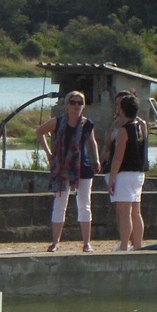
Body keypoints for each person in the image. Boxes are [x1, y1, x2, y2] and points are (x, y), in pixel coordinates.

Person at [36, 90, 101, 252]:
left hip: (82, 167)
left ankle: (86, 243)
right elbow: (39, 132)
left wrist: (96, 159)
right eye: (73, 102)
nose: (76, 106)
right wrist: (49, 153)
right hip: (63, 167)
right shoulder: (58, 122)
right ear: (67, 105)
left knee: (84, 204)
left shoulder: (87, 124)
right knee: (60, 204)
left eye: (80, 103)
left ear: (83, 106)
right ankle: (55, 242)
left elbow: (92, 142)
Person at [105, 93, 149, 252]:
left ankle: (124, 246)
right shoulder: (141, 126)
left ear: (122, 110)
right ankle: (137, 245)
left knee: (124, 213)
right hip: (138, 174)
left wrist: (111, 178)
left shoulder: (124, 130)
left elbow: (118, 158)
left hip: (125, 174)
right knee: (136, 212)